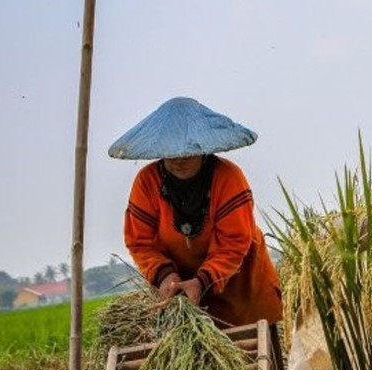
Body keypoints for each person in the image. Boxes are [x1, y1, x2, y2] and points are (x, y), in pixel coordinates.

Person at [110, 97, 283, 330]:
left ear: (203, 148)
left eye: (188, 151)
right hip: (183, 294)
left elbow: (233, 244)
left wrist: (202, 282)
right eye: (172, 152)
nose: (180, 159)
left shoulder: (229, 178)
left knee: (257, 356)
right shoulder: (147, 183)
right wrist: (166, 277)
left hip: (242, 288)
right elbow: (140, 242)